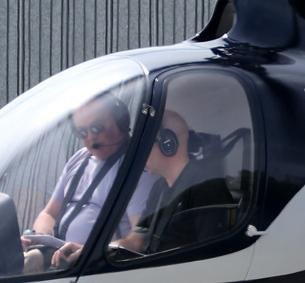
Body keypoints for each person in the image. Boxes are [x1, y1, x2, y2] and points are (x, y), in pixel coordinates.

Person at [22, 94, 158, 271]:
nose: (90, 138)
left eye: (97, 127)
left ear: (121, 121)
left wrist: (90, 251)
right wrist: (39, 238)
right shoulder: (79, 159)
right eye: (82, 132)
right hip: (60, 261)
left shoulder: (140, 169)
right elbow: (49, 214)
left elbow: (137, 242)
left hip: (96, 268)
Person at [110, 109, 237, 259]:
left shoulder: (206, 188)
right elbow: (135, 241)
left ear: (168, 144)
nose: (139, 154)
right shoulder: (158, 188)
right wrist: (95, 252)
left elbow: (213, 257)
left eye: (143, 145)